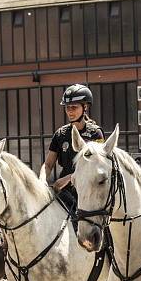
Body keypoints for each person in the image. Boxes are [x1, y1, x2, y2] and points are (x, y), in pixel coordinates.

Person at [44, 84, 104, 212]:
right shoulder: (60, 134)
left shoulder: (95, 133)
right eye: (67, 107)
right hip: (64, 193)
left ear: (85, 107)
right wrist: (41, 180)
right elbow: (48, 164)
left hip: (88, 192)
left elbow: (98, 167)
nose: (70, 111)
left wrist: (70, 178)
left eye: (74, 107)